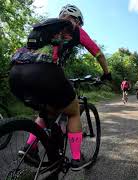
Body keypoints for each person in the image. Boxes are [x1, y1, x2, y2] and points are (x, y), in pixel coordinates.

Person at [9, 4, 111, 170]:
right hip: (44, 73)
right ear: (76, 19)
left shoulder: (44, 27)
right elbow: (97, 52)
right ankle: (77, 158)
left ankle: (30, 148)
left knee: (47, 111)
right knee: (73, 111)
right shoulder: (73, 27)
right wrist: (106, 73)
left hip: (16, 74)